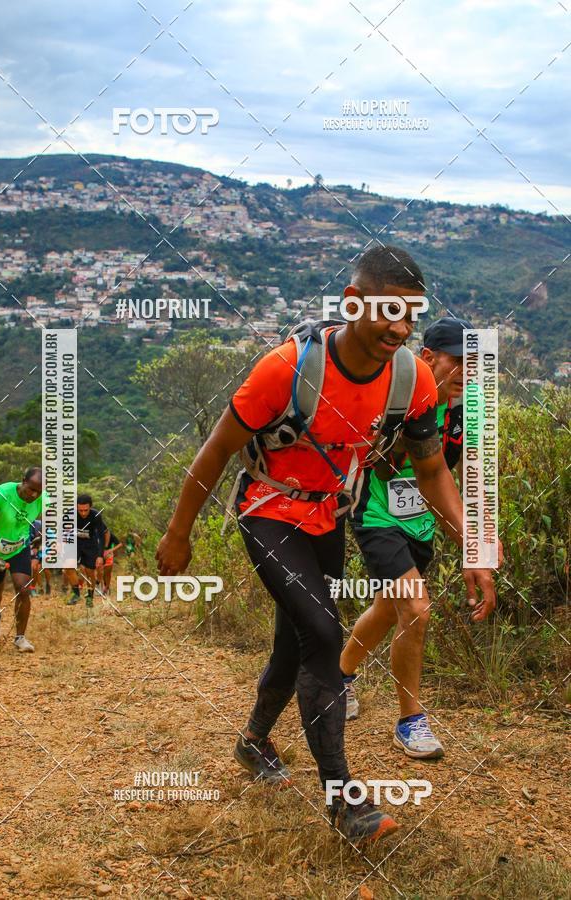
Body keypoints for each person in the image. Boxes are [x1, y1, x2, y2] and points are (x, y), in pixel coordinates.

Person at [156, 245, 497, 844]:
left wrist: (474, 544)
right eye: (389, 311)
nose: (401, 328)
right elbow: (216, 451)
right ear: (353, 303)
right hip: (267, 510)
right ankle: (344, 799)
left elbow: (431, 470)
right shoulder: (286, 369)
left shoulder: (412, 377)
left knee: (295, 641)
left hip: (328, 515)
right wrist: (178, 533)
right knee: (321, 632)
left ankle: (253, 740)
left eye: (411, 315)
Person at [340, 317, 500, 758]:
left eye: (474, 364)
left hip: (422, 521)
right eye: (457, 361)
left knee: (388, 610)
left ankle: (341, 675)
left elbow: (471, 478)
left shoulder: (467, 409)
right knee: (415, 607)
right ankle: (410, 720)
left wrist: (479, 539)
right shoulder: (397, 393)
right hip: (376, 513)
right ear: (428, 357)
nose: (466, 373)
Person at [0, 468, 43, 652]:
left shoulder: (43, 498)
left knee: (23, 589)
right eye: (31, 489)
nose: (34, 495)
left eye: (38, 492)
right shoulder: (1, 494)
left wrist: (42, 537)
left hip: (19, 547)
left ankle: (20, 638)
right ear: (23, 481)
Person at [65, 494, 109, 608]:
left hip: (90, 544)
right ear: (76, 507)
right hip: (75, 543)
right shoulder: (70, 514)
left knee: (90, 572)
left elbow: (101, 536)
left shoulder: (96, 515)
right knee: (68, 567)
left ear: (90, 507)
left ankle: (90, 596)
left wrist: (100, 555)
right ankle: (76, 594)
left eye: (86, 510)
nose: (83, 513)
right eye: (80, 510)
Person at [29, 518, 52, 597]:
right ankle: (40, 587)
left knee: (46, 568)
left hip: (45, 551)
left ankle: (48, 584)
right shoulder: (31, 526)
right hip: (36, 550)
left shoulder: (49, 531)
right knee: (36, 568)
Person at [97, 530, 124, 596]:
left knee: (107, 572)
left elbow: (120, 544)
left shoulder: (110, 534)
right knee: (99, 570)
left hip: (108, 554)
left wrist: (111, 550)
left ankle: (107, 588)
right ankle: (100, 587)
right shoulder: (95, 532)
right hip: (98, 553)